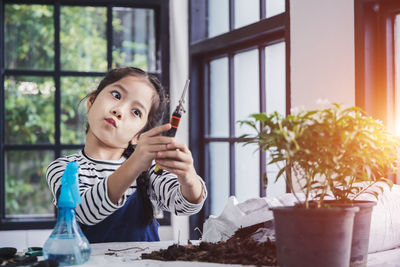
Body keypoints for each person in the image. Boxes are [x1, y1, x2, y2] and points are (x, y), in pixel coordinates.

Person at [46, 67, 207, 243]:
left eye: (136, 112)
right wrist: (135, 163)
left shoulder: (151, 169)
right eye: (116, 95)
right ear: (91, 101)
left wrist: (188, 177)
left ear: (138, 136)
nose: (119, 110)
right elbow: (84, 211)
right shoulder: (64, 168)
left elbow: (185, 206)